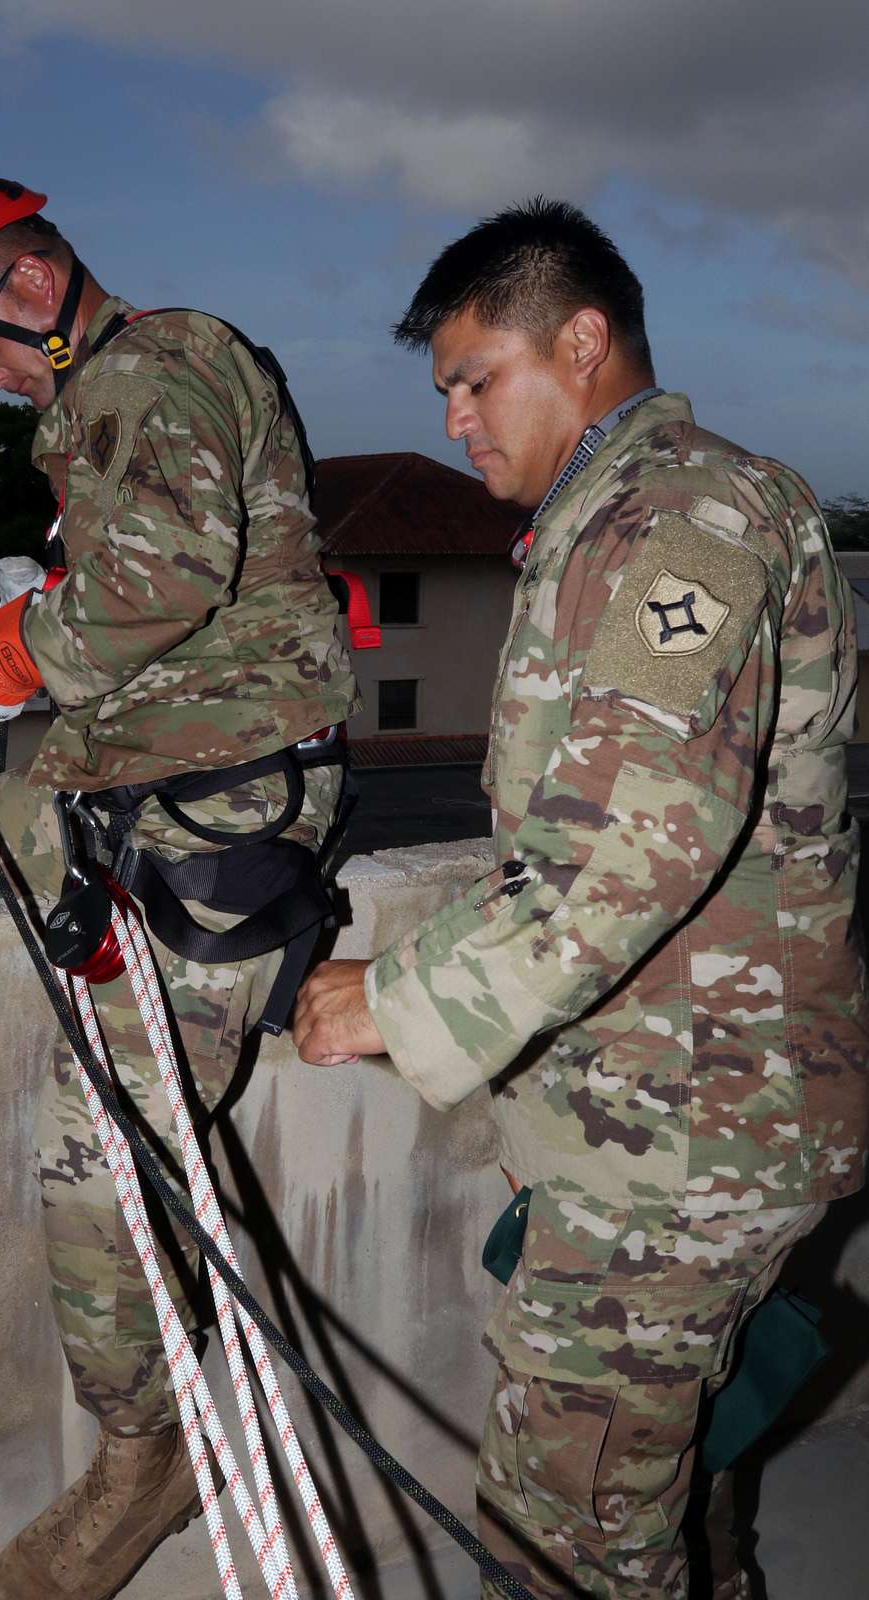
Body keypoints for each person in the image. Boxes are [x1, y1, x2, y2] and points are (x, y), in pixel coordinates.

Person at [293, 198, 869, 1599]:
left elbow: (633, 846)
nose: (458, 423)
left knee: (567, 1537)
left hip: (688, 1142)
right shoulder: (607, 520)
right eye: (446, 392)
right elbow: (569, 829)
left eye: (477, 379)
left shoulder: (684, 519)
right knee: (670, 1499)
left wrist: (397, 1000)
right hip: (670, 1111)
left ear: (586, 341)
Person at [0, 174, 359, 1600]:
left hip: (207, 812)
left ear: (32, 289)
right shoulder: (124, 393)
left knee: (92, 1148)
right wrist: (33, 602)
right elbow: (156, 573)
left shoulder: (151, 367)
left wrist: (13, 652)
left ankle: (149, 1452)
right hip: (127, 775)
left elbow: (165, 578)